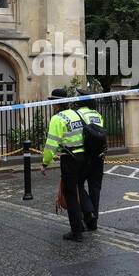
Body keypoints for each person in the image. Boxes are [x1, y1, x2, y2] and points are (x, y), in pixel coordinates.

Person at [41, 88, 93, 242]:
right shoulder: (76, 114)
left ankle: (77, 232)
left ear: (56, 104)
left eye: (52, 102)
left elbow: (51, 145)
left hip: (70, 159)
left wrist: (45, 163)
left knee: (71, 196)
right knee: (78, 189)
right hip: (83, 158)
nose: (52, 105)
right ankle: (85, 220)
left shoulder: (57, 119)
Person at [75, 93, 107, 231]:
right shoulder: (97, 115)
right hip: (98, 156)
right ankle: (93, 222)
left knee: (77, 184)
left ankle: (88, 212)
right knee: (95, 188)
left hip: (84, 156)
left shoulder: (77, 114)